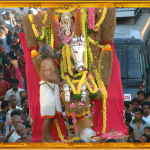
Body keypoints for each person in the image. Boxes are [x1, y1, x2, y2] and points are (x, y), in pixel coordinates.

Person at [38, 44, 66, 142]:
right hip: (47, 90)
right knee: (48, 116)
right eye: (50, 48)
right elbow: (48, 77)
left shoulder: (50, 58)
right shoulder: (46, 62)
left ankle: (48, 136)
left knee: (52, 115)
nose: (53, 49)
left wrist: (65, 47)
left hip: (52, 88)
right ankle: (43, 139)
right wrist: (60, 83)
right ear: (47, 53)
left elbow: (57, 53)